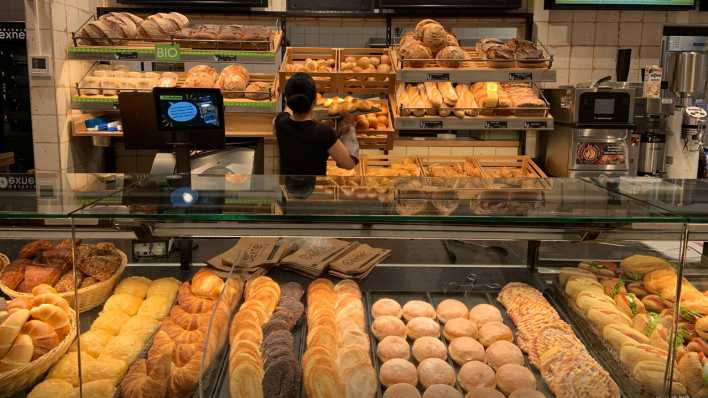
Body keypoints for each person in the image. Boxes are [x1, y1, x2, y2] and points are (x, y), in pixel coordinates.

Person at [275, 72, 359, 176]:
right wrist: (350, 127)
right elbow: (348, 164)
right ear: (315, 101)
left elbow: (288, 111)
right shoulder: (324, 133)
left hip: (287, 189)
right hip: (316, 189)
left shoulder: (280, 122)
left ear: (286, 100)